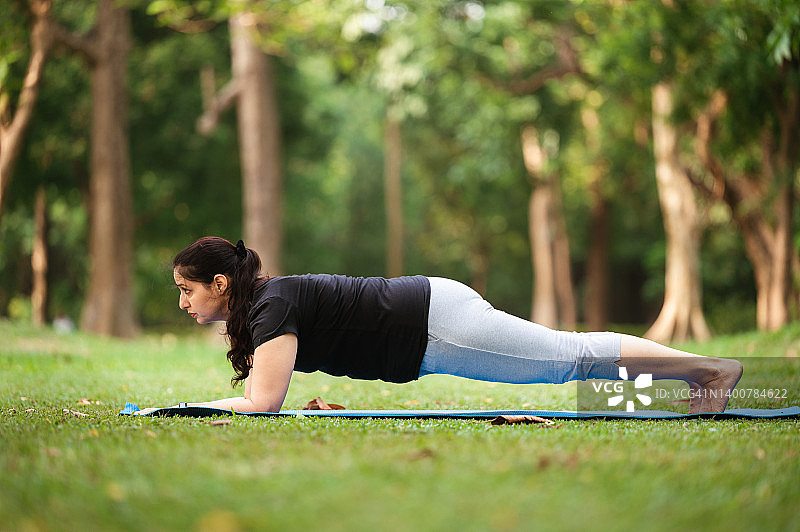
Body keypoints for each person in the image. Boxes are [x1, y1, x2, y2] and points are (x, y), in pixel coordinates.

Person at [134, 236, 743, 415]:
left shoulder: (270, 306)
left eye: (187, 290)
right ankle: (696, 378)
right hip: (428, 321)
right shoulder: (269, 303)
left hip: (432, 325)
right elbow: (270, 394)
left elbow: (262, 402)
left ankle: (708, 372)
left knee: (568, 359)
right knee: (568, 358)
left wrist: (195, 406)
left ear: (220, 285)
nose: (183, 303)